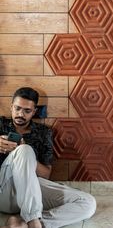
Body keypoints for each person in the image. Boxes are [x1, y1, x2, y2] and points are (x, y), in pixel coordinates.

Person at [0, 87, 96, 228]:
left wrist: (27, 155)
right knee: (25, 150)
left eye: (27, 111)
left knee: (87, 203)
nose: (20, 114)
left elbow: (46, 174)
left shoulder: (43, 133)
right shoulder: (0, 124)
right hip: (3, 189)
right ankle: (33, 221)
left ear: (34, 112)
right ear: (11, 107)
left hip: (31, 190)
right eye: (17, 108)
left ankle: (23, 222)